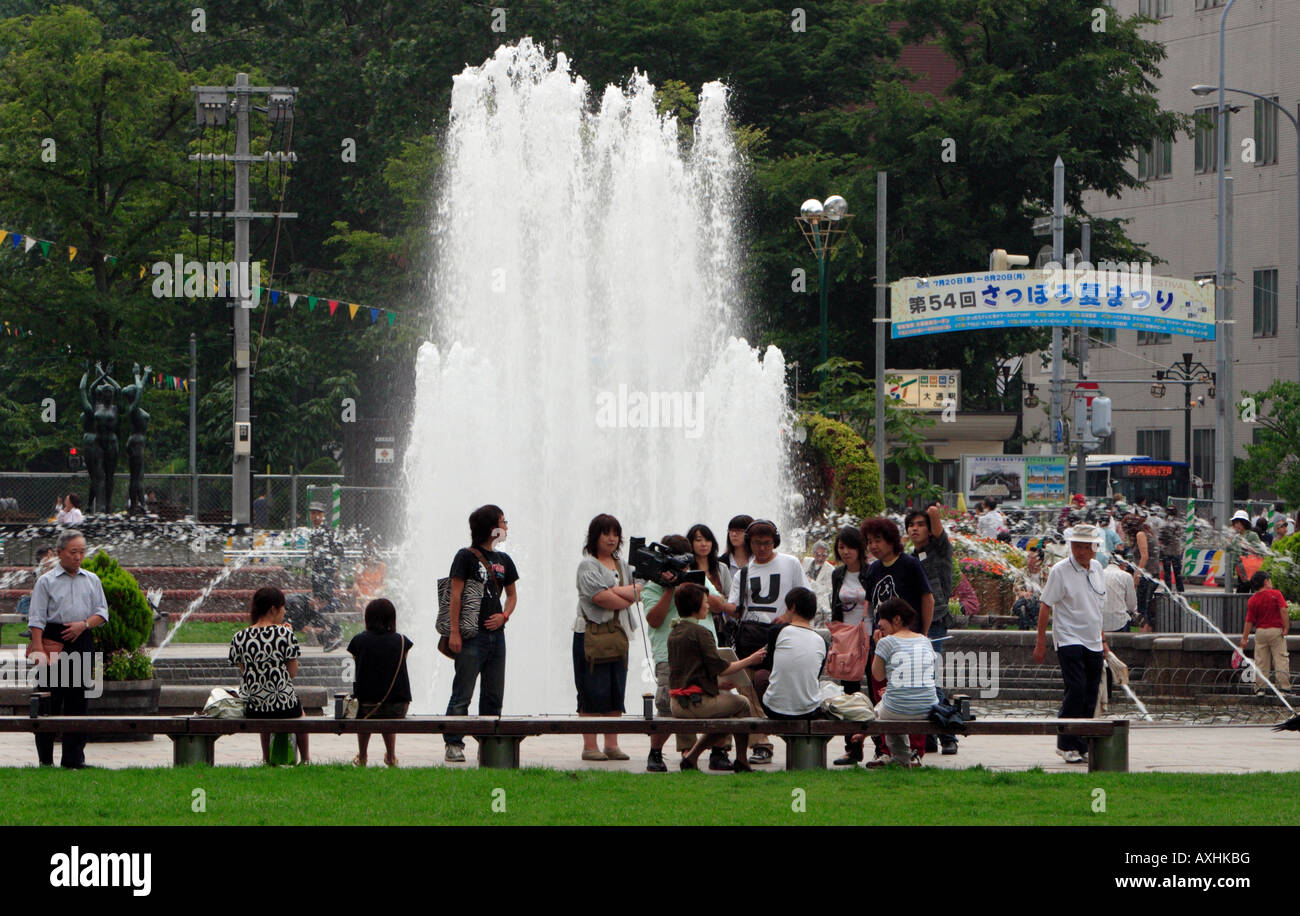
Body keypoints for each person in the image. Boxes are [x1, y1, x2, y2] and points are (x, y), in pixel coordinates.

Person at [719, 518, 807, 765]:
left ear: (774, 541)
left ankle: (783, 735)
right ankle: (762, 742)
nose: (762, 548)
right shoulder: (745, 571)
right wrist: (718, 603)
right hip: (750, 637)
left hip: (783, 636)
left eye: (767, 543)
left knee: (769, 685)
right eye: (756, 543)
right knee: (746, 686)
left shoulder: (789, 564)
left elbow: (805, 597)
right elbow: (737, 609)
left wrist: (788, 616)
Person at [644, 534, 729, 772]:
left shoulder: (697, 579)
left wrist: (690, 586)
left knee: (718, 698)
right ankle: (656, 753)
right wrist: (670, 589)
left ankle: (719, 751)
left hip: (706, 653)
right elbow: (654, 620)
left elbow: (720, 605)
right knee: (667, 705)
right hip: (670, 656)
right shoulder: (652, 587)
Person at [26, 530, 107, 768]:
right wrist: (39, 649)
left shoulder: (92, 579)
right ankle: (45, 760)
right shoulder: (46, 581)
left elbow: (102, 612)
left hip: (81, 641)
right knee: (48, 701)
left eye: (82, 552)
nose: (78, 557)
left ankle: (73, 759)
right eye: (73, 552)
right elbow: (36, 619)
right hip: (53, 641)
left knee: (78, 700)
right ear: (60, 553)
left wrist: (83, 625)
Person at [444, 505, 518, 762]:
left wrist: (504, 616)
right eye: (502, 522)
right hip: (471, 635)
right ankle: (454, 743)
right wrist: (454, 632)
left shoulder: (504, 561)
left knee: (493, 693)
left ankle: (488, 743)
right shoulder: (465, 557)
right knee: (463, 691)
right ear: (491, 528)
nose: (506, 527)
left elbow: (512, 595)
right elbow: (455, 595)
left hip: (497, 637)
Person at [668, 583, 765, 772]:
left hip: (677, 703)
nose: (708, 606)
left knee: (728, 713)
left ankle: (691, 758)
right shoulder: (701, 632)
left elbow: (691, 670)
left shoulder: (675, 631)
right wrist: (750, 660)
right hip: (695, 703)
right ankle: (742, 759)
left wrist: (718, 684)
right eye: (705, 602)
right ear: (696, 605)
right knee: (743, 704)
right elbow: (721, 667)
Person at [1033, 524, 1109, 764]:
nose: (1081, 551)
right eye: (1076, 546)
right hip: (1068, 638)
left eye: (1086, 546)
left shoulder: (1097, 569)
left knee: (1090, 691)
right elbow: (1046, 605)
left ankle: (1082, 741)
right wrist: (1040, 642)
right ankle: (1065, 743)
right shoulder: (1060, 570)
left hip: (1093, 640)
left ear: (1094, 548)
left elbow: (1097, 607)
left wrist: (1103, 640)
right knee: (1075, 688)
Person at [860, 516, 934, 765]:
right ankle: (884, 750)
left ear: (892, 541)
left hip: (908, 643)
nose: (873, 546)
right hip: (882, 642)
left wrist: (923, 633)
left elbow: (927, 598)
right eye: (869, 541)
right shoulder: (873, 569)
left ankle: (914, 751)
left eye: (878, 540)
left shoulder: (909, 565)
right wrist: (870, 629)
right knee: (880, 694)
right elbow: (870, 604)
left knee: (909, 694)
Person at [574, 513, 643, 762]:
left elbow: (639, 591)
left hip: (618, 634)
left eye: (615, 534)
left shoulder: (623, 565)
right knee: (591, 689)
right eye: (606, 533)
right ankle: (590, 746)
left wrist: (617, 592)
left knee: (616, 688)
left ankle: (612, 744)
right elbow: (600, 598)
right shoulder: (587, 565)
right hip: (590, 635)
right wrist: (626, 594)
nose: (612, 539)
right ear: (595, 536)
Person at [229, 586, 309, 765]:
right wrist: (288, 634)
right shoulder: (285, 634)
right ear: (273, 609)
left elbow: (246, 672)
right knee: (300, 713)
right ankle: (305, 759)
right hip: (285, 705)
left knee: (261, 700)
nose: (285, 611)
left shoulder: (239, 637)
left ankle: (266, 758)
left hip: (254, 707)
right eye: (283, 607)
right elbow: (292, 674)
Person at [906, 503, 958, 755]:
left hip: (935, 622)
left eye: (920, 524)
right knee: (920, 679)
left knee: (930, 678)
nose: (915, 529)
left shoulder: (938, 549)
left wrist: (931, 512)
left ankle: (948, 733)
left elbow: (936, 519)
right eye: (911, 525)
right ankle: (929, 735)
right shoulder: (910, 558)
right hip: (915, 625)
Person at [865, 597, 937, 768]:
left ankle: (900, 757)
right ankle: (909, 757)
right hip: (929, 707)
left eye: (881, 622)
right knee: (889, 703)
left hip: (897, 709)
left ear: (896, 619)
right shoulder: (924, 640)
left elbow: (878, 675)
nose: (879, 626)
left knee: (886, 709)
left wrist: (878, 646)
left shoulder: (886, 642)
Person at [347, 598, 414, 767]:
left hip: (366, 705)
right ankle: (391, 756)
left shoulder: (358, 641)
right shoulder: (401, 640)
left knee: (365, 711)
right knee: (387, 709)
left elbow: (358, 661)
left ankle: (362, 756)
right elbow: (402, 661)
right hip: (398, 706)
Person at [760, 587, 829, 722]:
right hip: (808, 711)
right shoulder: (823, 642)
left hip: (775, 710)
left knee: (760, 676)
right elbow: (815, 676)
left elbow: (772, 666)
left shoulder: (777, 632)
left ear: (793, 608)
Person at [1242, 570, 1291, 695]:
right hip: (1275, 631)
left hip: (1260, 632)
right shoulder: (1276, 594)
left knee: (1261, 660)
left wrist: (1244, 638)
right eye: (1270, 580)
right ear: (1266, 582)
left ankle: (1260, 688)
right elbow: (1283, 610)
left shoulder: (1252, 600)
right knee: (1280, 659)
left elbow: (1249, 621)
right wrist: (1286, 627)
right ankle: (1284, 688)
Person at [306, 501, 344, 651]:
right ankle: (330, 637)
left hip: (325, 575)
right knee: (319, 605)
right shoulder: (314, 532)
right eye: (313, 513)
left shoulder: (328, 531)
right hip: (318, 575)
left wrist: (335, 570)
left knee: (322, 603)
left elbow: (339, 551)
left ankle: (334, 634)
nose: (315, 516)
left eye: (318, 514)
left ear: (323, 515)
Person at [686, 523, 732, 643]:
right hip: (695, 626)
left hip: (720, 627)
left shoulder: (721, 568)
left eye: (707, 540)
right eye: (698, 540)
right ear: (690, 543)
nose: (704, 544)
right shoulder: (686, 570)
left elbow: (730, 597)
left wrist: (721, 601)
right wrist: (716, 599)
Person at [1121, 513, 1160, 632]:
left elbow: (1144, 556)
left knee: (1142, 606)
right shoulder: (1146, 533)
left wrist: (1137, 575)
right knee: (1145, 606)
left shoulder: (1140, 534)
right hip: (1152, 573)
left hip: (1147, 575)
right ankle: (1147, 630)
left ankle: (1144, 634)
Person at [802, 541, 835, 626]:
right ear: (813, 553)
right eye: (818, 554)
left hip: (821, 608)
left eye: (823, 555)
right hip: (804, 603)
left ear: (827, 556)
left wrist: (811, 582)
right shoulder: (806, 562)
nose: (820, 558)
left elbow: (828, 590)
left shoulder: (831, 570)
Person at [1102, 558, 1138, 633]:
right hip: (1120, 622)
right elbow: (1132, 605)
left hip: (1101, 622)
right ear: (1123, 564)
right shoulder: (1126, 576)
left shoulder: (1099, 574)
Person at [1157, 510, 1186, 593]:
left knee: (1167, 572)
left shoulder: (1163, 523)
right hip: (1175, 551)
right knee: (1177, 572)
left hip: (1165, 551)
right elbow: (1179, 535)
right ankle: (1180, 590)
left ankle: (1167, 589)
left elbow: (1160, 536)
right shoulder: (1177, 524)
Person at [722, 514, 753, 580]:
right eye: (731, 530)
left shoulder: (758, 559)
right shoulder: (722, 562)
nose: (734, 534)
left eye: (739, 531)